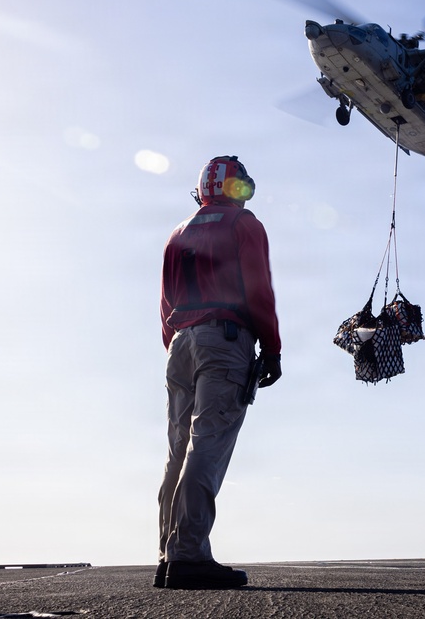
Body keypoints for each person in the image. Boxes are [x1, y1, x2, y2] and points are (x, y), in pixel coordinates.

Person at [155, 155, 282, 590]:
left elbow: (166, 305)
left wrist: (179, 347)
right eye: (243, 188)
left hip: (180, 345)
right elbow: (258, 289)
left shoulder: (178, 232)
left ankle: (167, 554)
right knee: (206, 445)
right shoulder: (245, 226)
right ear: (234, 190)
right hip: (223, 341)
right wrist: (273, 348)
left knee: (178, 450)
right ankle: (188, 554)